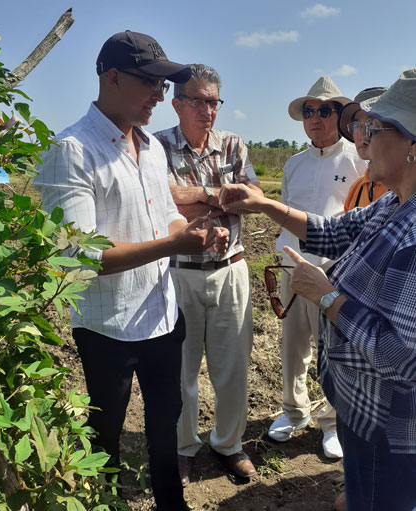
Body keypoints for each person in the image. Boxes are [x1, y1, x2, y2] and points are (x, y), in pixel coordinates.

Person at [34, 32, 229, 511]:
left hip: (162, 314)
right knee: (107, 433)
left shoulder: (151, 148)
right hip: (109, 326)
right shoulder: (72, 150)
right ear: (112, 77)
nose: (160, 97)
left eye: (164, 87)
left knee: (165, 420)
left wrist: (194, 229)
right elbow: (80, 257)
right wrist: (173, 243)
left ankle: (170, 502)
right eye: (151, 83)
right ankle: (106, 503)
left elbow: (167, 215)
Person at [219, 68, 416, 511]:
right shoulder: (392, 203)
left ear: (412, 146)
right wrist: (265, 204)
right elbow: (331, 230)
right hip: (361, 410)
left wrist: (328, 297)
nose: (363, 135)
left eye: (376, 127)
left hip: (391, 425)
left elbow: (400, 355)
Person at [154, 64, 262, 485]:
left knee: (233, 366)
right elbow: (157, 200)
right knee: (181, 369)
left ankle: (228, 444)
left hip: (230, 269)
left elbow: (253, 199)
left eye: (213, 101)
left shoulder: (233, 144)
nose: (208, 110)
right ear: (177, 102)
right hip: (178, 272)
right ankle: (182, 447)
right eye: (198, 101)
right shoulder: (156, 145)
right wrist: (212, 195)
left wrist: (193, 202)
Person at [267, 76, 366, 458]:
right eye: (309, 111)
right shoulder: (293, 165)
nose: (316, 118)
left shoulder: (357, 159)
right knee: (293, 347)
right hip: (292, 267)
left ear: (339, 115)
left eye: (325, 110)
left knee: (333, 350)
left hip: (334, 272)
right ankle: (294, 412)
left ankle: (331, 421)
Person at [339, 87, 389, 212]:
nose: (362, 133)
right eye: (356, 125)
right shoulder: (357, 188)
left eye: (371, 123)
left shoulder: (406, 186)